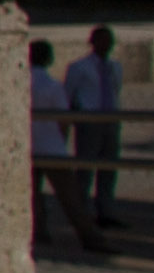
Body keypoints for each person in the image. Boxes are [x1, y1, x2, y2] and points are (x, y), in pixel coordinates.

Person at [27, 38, 101, 257]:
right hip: (51, 146)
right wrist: (62, 137)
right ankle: (88, 235)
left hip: (29, 145)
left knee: (33, 195)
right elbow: (63, 118)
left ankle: (38, 231)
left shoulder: (23, 81)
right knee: (70, 196)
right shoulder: (52, 85)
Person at [64, 25, 126, 238]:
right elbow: (69, 94)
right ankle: (81, 211)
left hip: (111, 120)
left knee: (109, 167)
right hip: (89, 120)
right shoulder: (79, 67)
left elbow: (116, 91)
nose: (106, 45)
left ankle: (106, 210)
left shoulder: (115, 67)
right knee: (86, 167)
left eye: (110, 41)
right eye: (102, 40)